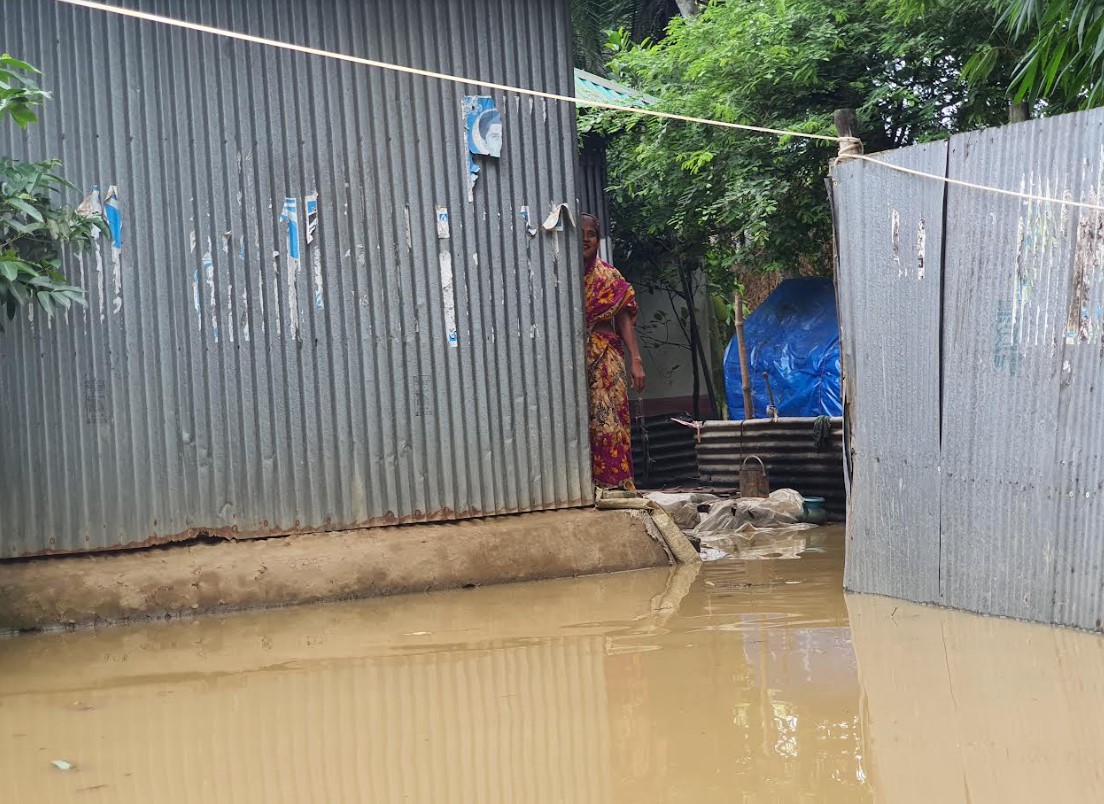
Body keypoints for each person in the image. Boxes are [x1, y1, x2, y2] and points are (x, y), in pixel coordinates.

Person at [581, 213, 645, 490]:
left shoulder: (609, 277)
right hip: (571, 359)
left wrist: (637, 361)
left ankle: (614, 485)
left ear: (598, 239)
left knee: (610, 420)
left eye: (591, 234)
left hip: (606, 354)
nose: (585, 239)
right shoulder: (557, 277)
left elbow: (624, 320)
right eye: (579, 234)